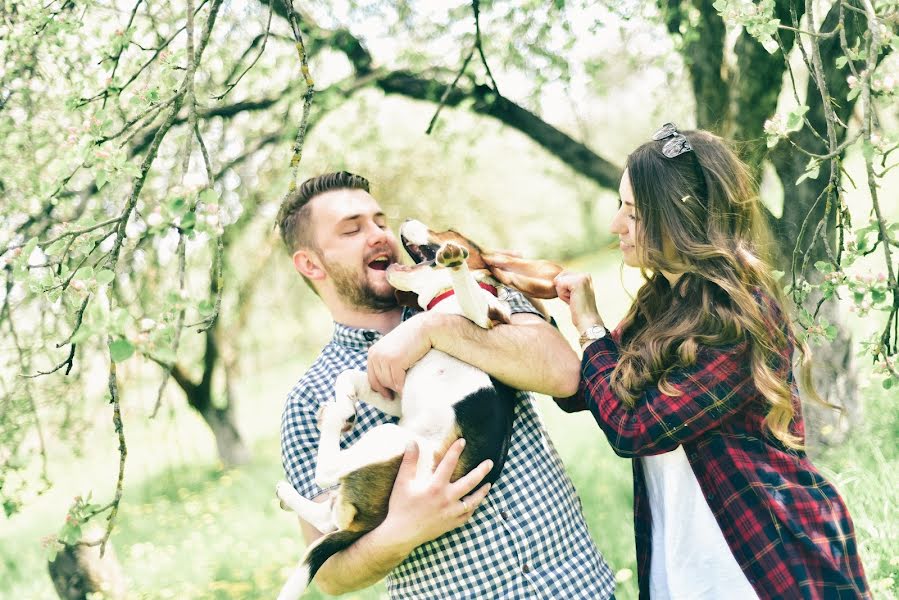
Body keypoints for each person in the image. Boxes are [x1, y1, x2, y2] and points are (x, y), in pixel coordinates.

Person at [548, 125, 871, 599]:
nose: (616, 225)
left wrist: (591, 327)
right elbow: (587, 391)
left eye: (633, 212)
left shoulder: (736, 317)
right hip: (682, 561)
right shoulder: (661, 301)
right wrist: (522, 311)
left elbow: (631, 428)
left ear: (680, 221)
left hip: (759, 559)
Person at [276, 171, 616, 599]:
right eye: (352, 229)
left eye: (380, 221)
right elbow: (329, 575)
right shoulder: (311, 398)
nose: (379, 235)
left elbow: (565, 374)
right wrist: (401, 531)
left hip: (574, 587)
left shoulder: (468, 295)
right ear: (310, 263)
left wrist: (433, 328)